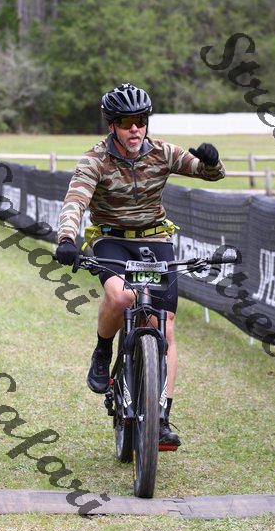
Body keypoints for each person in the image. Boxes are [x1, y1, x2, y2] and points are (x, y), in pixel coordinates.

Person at [55, 82, 225, 447]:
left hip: (155, 239)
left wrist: (212, 162)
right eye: (126, 122)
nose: (135, 129)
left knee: (164, 326)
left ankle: (160, 417)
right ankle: (103, 351)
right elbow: (75, 202)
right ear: (112, 125)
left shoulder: (163, 152)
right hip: (111, 239)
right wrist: (67, 238)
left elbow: (209, 173)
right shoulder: (95, 159)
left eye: (141, 121)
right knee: (121, 297)